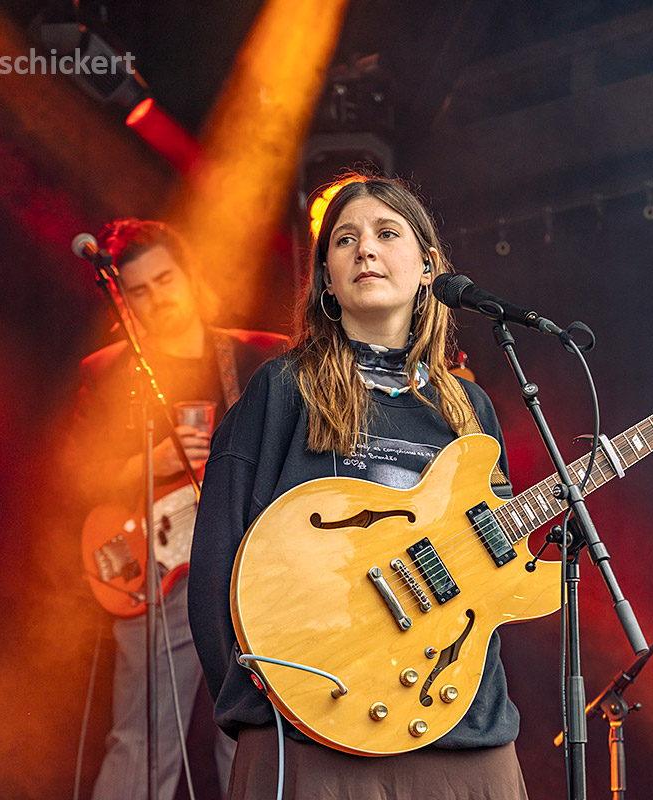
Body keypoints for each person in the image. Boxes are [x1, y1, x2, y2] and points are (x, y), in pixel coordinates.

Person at [187, 176, 530, 798]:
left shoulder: (469, 407)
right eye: (344, 240)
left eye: (386, 233)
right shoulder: (282, 388)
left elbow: (490, 570)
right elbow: (216, 555)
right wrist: (258, 702)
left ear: (429, 267)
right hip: (312, 728)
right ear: (327, 279)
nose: (365, 248)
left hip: (459, 724)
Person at [69, 218, 288, 800]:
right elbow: (81, 482)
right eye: (140, 290)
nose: (158, 298)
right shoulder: (110, 372)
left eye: (166, 280)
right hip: (162, 574)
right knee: (143, 740)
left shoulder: (262, 356)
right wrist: (153, 461)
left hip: (251, 571)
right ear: (123, 300)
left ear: (191, 275)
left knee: (254, 736)